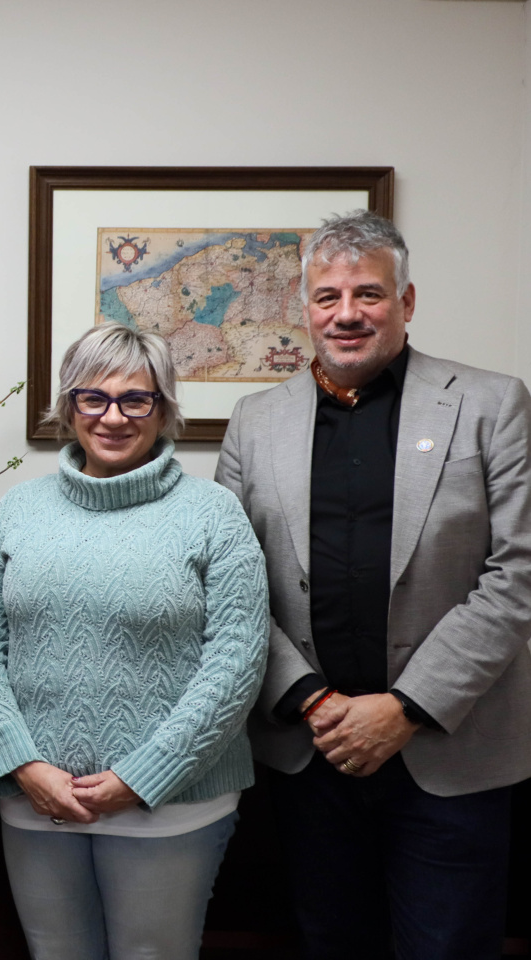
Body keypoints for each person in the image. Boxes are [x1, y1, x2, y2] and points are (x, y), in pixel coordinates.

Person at [216, 210, 531, 959]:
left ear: (407, 301)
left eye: (369, 294)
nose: (347, 313)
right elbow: (229, 585)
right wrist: (314, 702)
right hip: (310, 755)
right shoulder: (254, 421)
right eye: (328, 296)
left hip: (450, 756)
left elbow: (517, 572)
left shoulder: (492, 405)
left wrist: (405, 708)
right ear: (304, 308)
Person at [0, 323, 269, 959]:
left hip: (173, 805)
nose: (113, 417)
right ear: (69, 407)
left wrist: (143, 775)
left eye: (136, 399)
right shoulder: (17, 511)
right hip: (37, 800)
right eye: (92, 397)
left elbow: (236, 662)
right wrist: (24, 764)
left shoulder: (214, 513)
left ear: (164, 409)